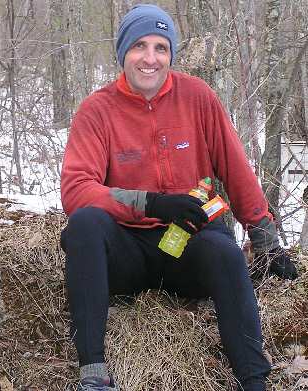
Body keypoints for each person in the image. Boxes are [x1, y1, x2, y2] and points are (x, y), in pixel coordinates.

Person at [60, 4, 298, 391]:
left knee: (223, 252)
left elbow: (234, 167)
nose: (150, 58)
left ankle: (254, 380)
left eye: (160, 47)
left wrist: (265, 238)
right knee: (85, 224)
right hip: (127, 253)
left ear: (171, 53)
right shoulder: (97, 110)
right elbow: (75, 190)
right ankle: (93, 373)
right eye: (139, 46)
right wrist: (149, 203)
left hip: (188, 246)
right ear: (122, 53)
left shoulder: (197, 96)